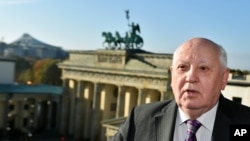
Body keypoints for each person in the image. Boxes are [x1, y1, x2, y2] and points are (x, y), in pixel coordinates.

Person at [111, 37, 250, 141]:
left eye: (203, 68)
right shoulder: (139, 119)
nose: (190, 77)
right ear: (172, 75)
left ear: (223, 78)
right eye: (182, 67)